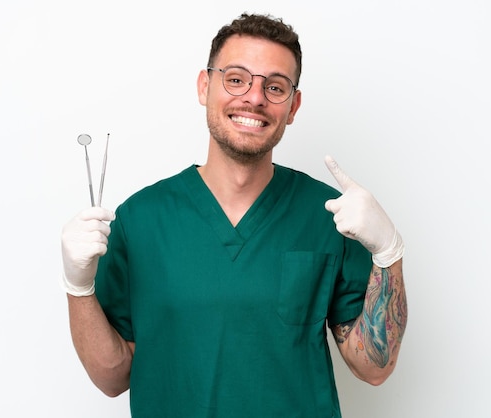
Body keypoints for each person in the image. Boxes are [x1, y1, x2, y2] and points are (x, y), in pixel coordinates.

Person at [61, 12, 408, 418]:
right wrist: (78, 286)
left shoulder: (330, 215)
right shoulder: (142, 219)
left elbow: (374, 368)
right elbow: (112, 378)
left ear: (293, 106)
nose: (255, 98)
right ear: (204, 86)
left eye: (275, 87)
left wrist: (389, 253)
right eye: (237, 79)